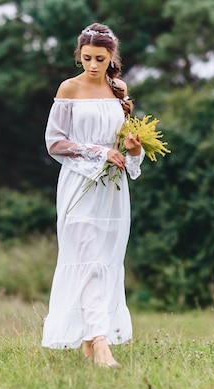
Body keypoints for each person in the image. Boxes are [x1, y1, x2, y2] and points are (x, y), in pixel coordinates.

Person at [41, 23, 143, 368]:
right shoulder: (69, 88)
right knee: (87, 259)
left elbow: (127, 144)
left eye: (100, 58)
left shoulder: (119, 90)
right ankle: (100, 342)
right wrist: (98, 152)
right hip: (78, 187)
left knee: (103, 261)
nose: (93, 65)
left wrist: (131, 149)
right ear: (79, 56)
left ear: (112, 57)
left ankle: (88, 337)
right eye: (87, 58)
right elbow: (55, 142)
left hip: (111, 192)